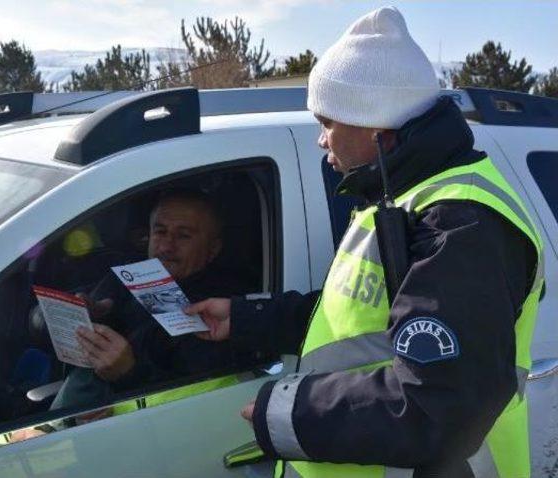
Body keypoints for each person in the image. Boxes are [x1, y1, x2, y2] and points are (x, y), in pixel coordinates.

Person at [186, 6, 544, 478]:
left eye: (326, 122)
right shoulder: (400, 197)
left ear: (376, 128)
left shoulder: (461, 222)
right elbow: (362, 321)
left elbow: (437, 401)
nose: (320, 140)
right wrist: (247, 319)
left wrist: (290, 413)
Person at [49, 189, 253, 410]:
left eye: (184, 235)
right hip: (76, 403)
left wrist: (129, 373)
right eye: (160, 231)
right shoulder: (129, 274)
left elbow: (194, 398)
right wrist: (95, 314)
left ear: (213, 249)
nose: (166, 246)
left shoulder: (222, 312)